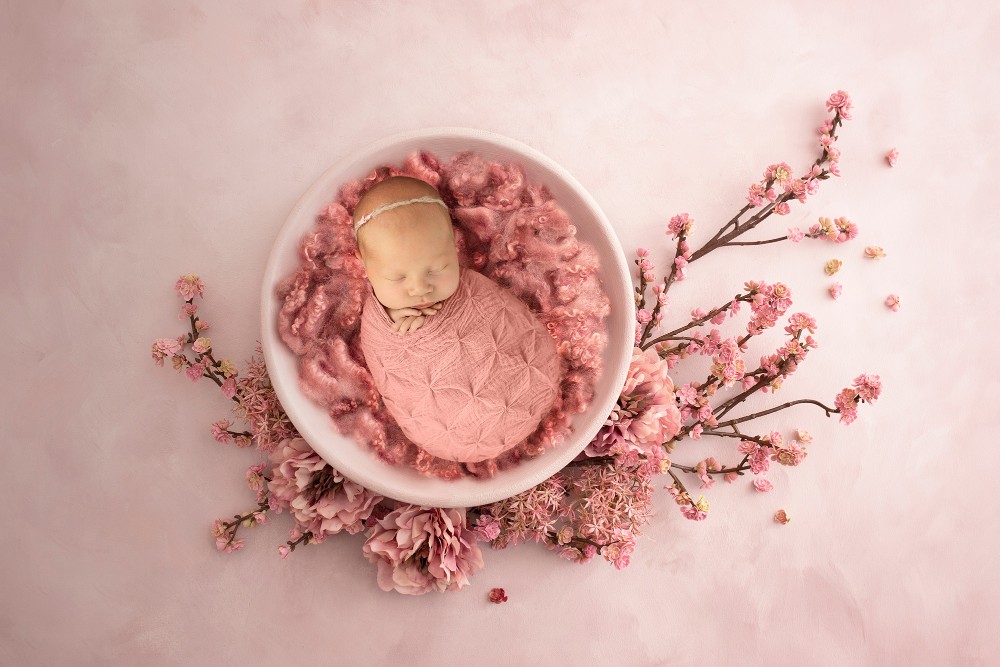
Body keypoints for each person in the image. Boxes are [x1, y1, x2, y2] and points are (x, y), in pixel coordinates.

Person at [353, 176, 560, 464]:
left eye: (438, 268)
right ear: (366, 269)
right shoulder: (375, 323)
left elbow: (503, 316)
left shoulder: (470, 288)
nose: (419, 288)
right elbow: (385, 358)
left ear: (454, 246)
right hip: (452, 435)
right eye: (397, 278)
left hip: (535, 378)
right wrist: (395, 325)